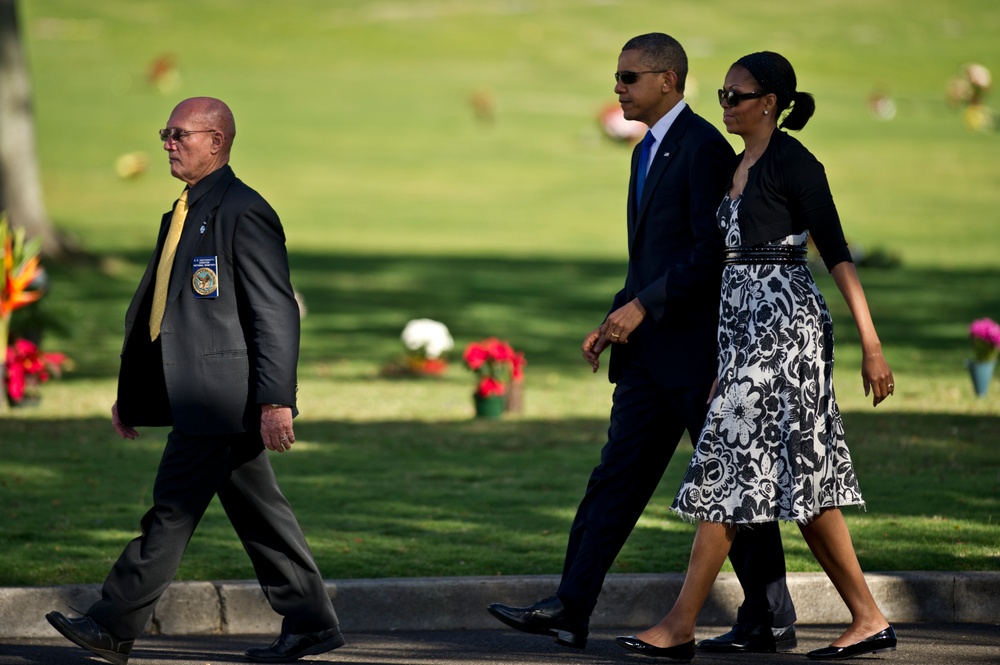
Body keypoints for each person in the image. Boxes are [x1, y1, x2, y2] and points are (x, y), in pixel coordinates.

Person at [487, 33, 799, 653]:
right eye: (617, 78)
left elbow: (711, 252)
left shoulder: (705, 149)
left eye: (629, 78)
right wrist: (614, 317)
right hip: (646, 360)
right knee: (615, 480)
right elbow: (650, 256)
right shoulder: (644, 152)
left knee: (732, 484)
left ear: (667, 81)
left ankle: (770, 617)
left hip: (697, 359)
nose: (619, 89)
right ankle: (570, 608)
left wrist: (643, 306)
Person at [616, 52, 898, 662]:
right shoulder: (738, 163)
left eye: (735, 96)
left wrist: (871, 347)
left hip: (787, 329)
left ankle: (679, 625)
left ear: (768, 102)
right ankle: (870, 617)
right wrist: (725, 357)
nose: (724, 105)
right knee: (805, 482)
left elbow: (839, 255)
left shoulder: (796, 164)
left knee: (724, 467)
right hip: (745, 333)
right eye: (721, 94)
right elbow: (727, 271)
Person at [45, 97, 345, 665]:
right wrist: (133, 396)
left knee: (171, 511)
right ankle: (311, 622)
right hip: (202, 396)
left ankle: (112, 623)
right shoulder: (186, 210)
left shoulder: (242, 210)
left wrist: (278, 399)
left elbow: (274, 312)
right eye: (166, 133)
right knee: (261, 516)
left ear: (217, 141)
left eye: (179, 134)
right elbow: (168, 315)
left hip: (224, 398)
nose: (167, 143)